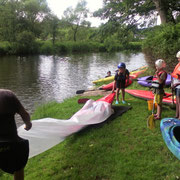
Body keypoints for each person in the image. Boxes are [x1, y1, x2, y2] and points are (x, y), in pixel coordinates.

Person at [0, 89, 32, 180]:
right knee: (18, 166)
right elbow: (24, 114)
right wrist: (28, 124)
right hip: (12, 142)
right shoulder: (7, 94)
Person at [171, 51, 180, 119]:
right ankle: (177, 115)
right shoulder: (178, 65)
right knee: (177, 102)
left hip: (179, 86)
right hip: (176, 86)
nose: (178, 59)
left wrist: (177, 83)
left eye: (179, 58)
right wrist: (173, 84)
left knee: (179, 102)